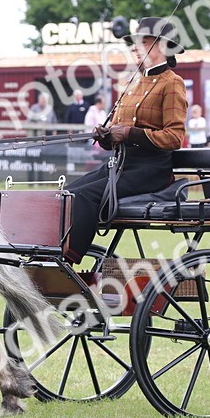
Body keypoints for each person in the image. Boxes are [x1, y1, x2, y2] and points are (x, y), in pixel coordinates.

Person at [63, 17, 188, 264]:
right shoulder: (135, 83)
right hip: (121, 164)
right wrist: (106, 136)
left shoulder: (172, 83)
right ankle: (55, 250)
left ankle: (68, 258)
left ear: (161, 46)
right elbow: (118, 130)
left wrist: (130, 134)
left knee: (85, 196)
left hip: (150, 170)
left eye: (142, 42)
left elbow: (174, 137)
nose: (134, 48)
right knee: (67, 192)